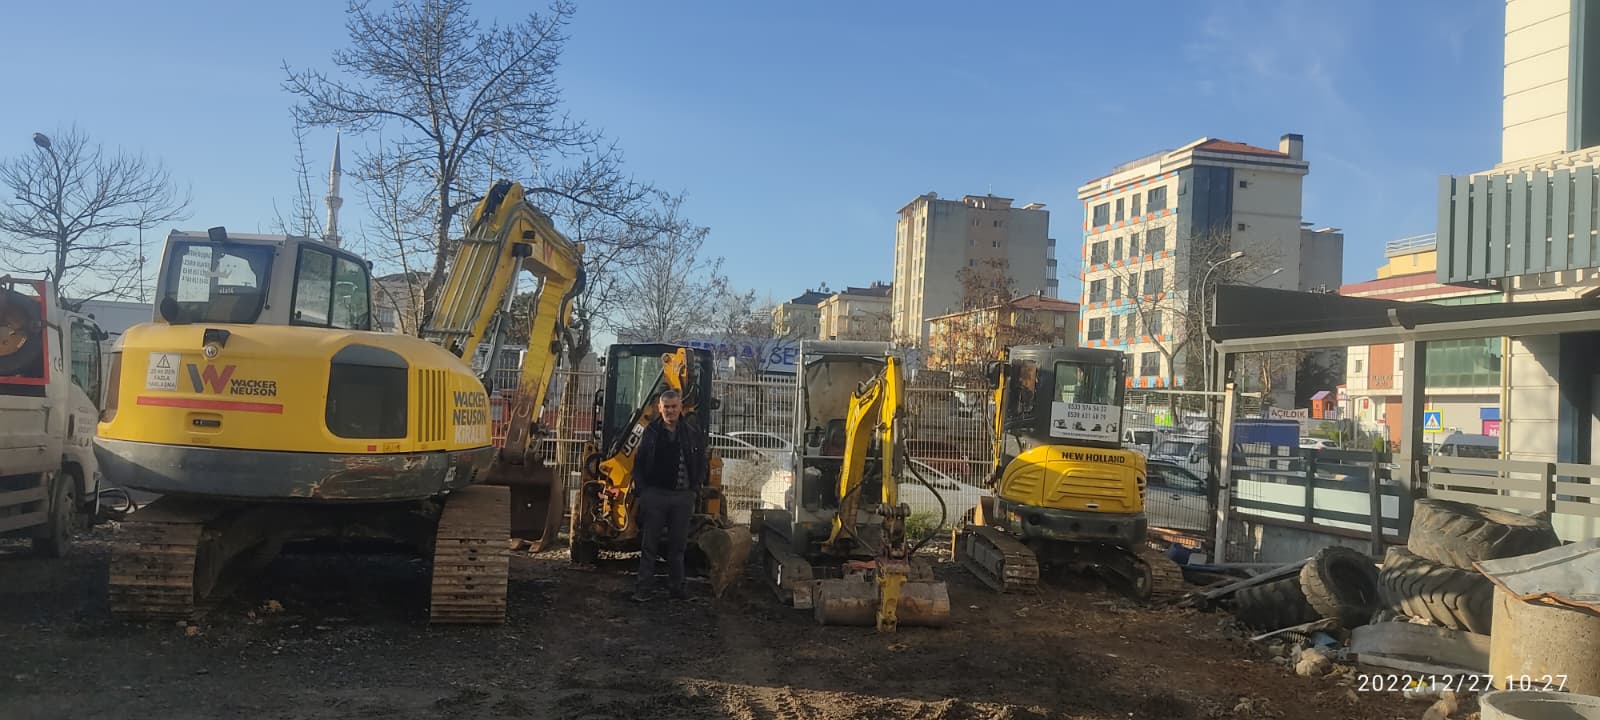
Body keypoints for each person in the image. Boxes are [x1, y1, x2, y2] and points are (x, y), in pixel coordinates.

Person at [630, 389, 707, 602]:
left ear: (680, 407)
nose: (670, 411)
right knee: (649, 546)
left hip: (682, 497)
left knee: (678, 546)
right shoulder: (651, 432)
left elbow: (701, 462)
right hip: (655, 496)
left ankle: (677, 589)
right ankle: (643, 589)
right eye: (667, 407)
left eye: (674, 407)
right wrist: (644, 492)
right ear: (660, 408)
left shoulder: (691, 432)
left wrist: (694, 489)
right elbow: (639, 463)